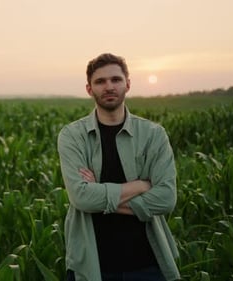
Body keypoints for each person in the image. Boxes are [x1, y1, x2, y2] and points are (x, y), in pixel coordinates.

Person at [57, 53, 180, 281]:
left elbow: (166, 198)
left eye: (116, 79)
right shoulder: (73, 136)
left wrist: (100, 194)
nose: (109, 86)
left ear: (128, 84)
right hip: (92, 265)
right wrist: (141, 185)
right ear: (89, 89)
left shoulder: (153, 135)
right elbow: (81, 198)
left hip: (147, 264)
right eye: (100, 81)